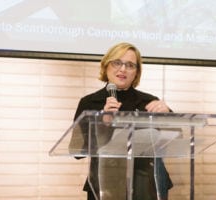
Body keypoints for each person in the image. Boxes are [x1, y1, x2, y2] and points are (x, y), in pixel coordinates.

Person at [72, 42, 173, 200]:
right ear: (106, 66)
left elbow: (176, 139)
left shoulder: (149, 102)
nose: (123, 69)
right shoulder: (90, 103)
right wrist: (102, 122)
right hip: (104, 185)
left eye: (130, 65)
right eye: (117, 63)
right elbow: (78, 151)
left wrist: (168, 115)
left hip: (148, 185)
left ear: (136, 72)